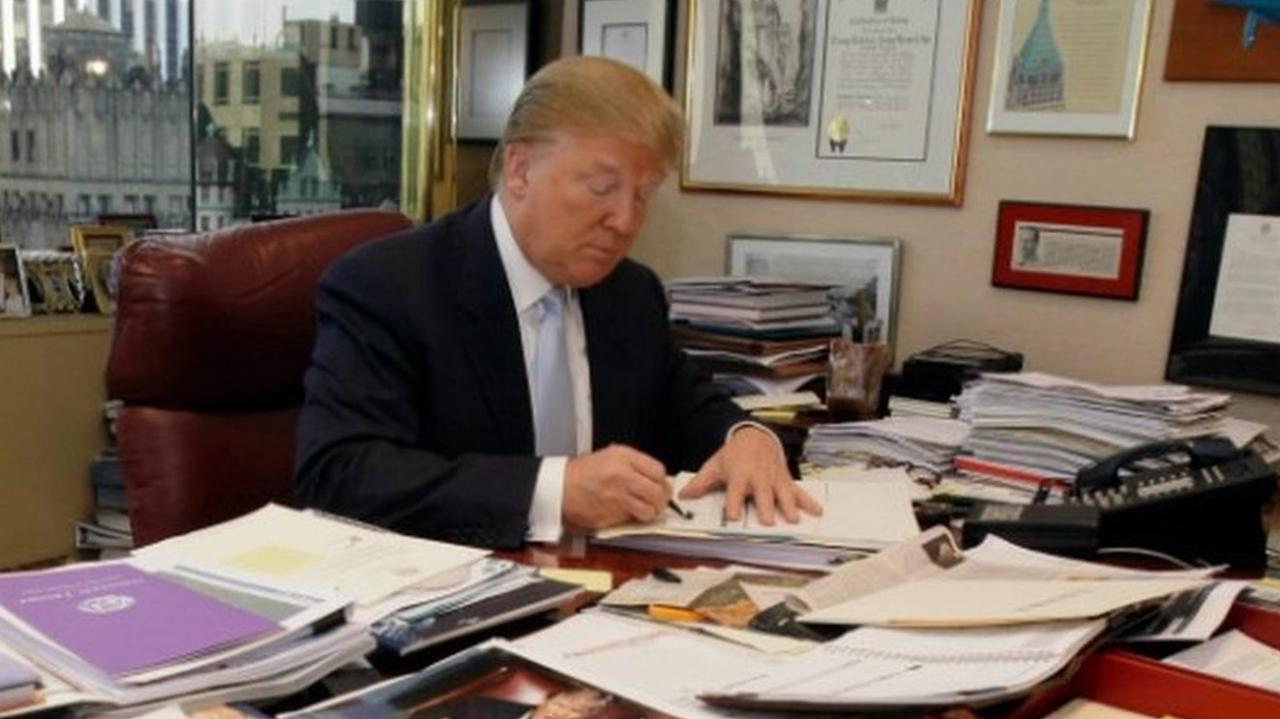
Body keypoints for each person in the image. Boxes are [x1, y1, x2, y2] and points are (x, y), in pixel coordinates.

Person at [295, 56, 820, 548]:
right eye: (602, 187)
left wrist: (746, 437)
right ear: (520, 170)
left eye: (642, 195)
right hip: (449, 607)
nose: (625, 221)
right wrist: (551, 492)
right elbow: (340, 472)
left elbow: (683, 404)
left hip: (606, 597)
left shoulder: (629, 293)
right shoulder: (389, 286)